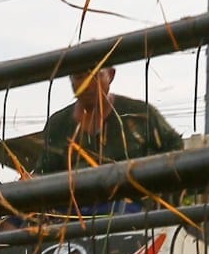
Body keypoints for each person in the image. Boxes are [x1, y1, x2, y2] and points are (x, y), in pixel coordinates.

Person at [32, 64, 184, 176]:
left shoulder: (139, 114)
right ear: (70, 79)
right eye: (79, 77)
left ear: (110, 75)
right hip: (74, 210)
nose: (87, 84)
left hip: (131, 207)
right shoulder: (58, 125)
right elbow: (44, 172)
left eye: (95, 75)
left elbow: (175, 147)